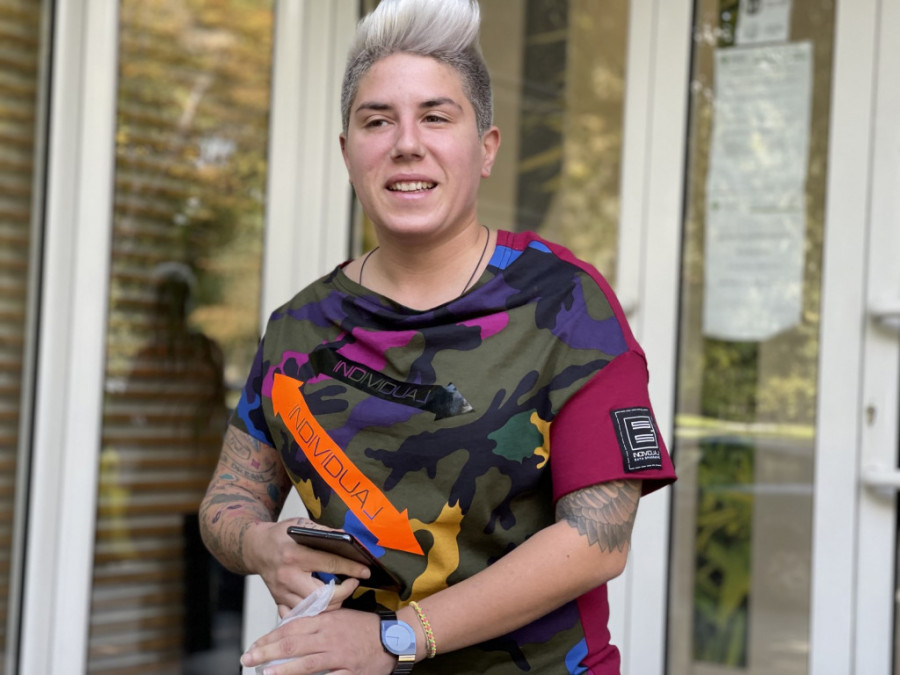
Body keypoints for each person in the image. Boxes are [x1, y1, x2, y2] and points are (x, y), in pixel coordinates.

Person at [199, 0, 676, 672]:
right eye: (377, 120)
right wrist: (261, 545)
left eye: (436, 116)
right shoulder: (298, 327)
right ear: (347, 153)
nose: (406, 143)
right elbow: (229, 498)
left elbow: (597, 538)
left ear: (486, 149)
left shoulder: (565, 304)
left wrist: (395, 637)